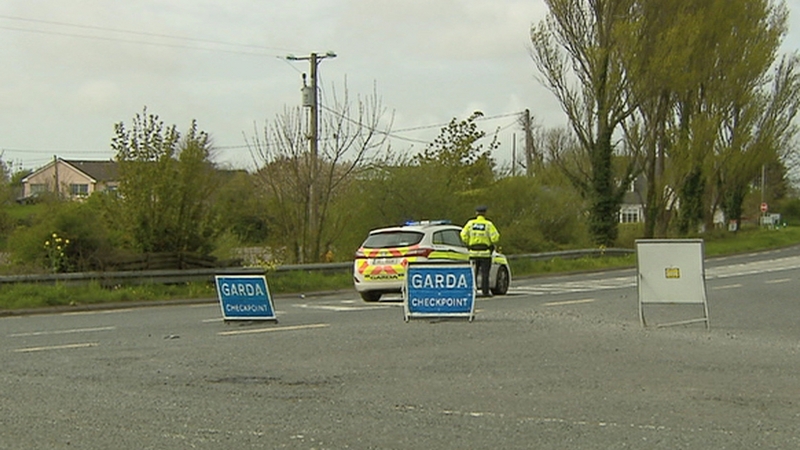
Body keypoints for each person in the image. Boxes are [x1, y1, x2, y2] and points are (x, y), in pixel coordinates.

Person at [460, 205, 500, 297]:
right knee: (485, 274)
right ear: (485, 213)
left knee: (473, 273)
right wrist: (490, 242)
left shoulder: (470, 224)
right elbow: (495, 238)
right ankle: (485, 292)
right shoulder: (488, 224)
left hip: (473, 253)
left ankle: (473, 291)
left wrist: (468, 242)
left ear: (476, 213)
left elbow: (463, 235)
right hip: (485, 254)